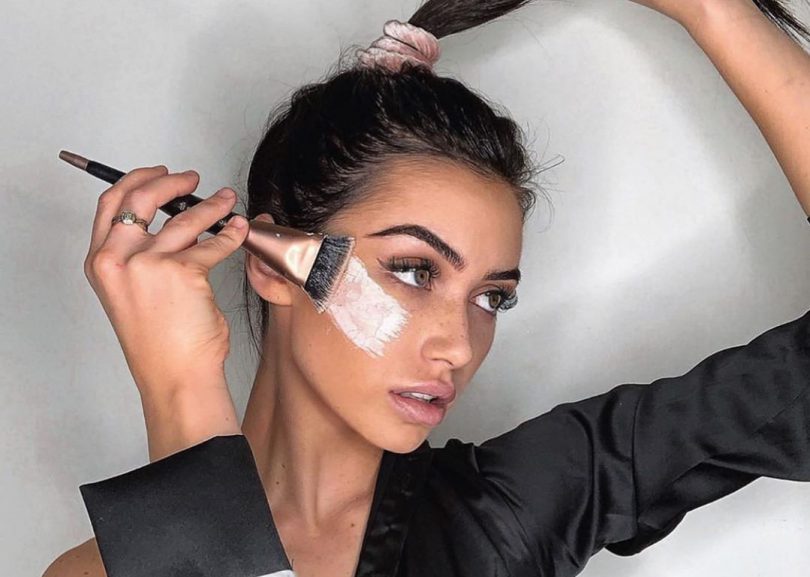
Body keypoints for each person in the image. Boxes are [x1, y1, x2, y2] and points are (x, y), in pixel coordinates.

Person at [43, 0, 810, 576]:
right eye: (414, 270)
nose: (458, 345)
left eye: (492, 296)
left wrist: (714, 11)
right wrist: (181, 394)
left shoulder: (504, 519)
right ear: (271, 263)